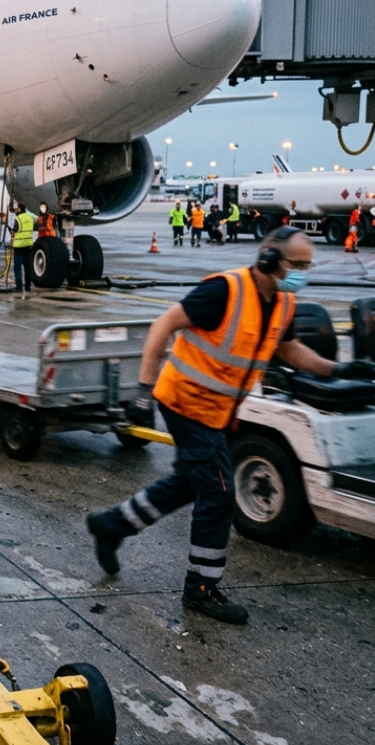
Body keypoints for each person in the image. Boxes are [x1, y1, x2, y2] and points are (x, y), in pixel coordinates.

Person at [86, 228, 375, 624]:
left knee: (190, 482)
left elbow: (287, 349)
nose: (304, 273)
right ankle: (200, 588)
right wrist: (142, 391)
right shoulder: (224, 291)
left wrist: (339, 369)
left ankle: (111, 525)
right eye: (298, 265)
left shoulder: (283, 301)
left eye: (309, 265)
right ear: (270, 260)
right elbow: (163, 326)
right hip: (186, 402)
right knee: (220, 493)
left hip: (221, 410)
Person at [11, 203, 35, 295]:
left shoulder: (18, 218)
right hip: (28, 245)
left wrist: (12, 232)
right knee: (27, 267)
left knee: (17, 267)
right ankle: (28, 287)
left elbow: (15, 230)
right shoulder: (30, 217)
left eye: (17, 209)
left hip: (19, 246)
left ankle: (19, 287)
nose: (16, 211)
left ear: (20, 209)